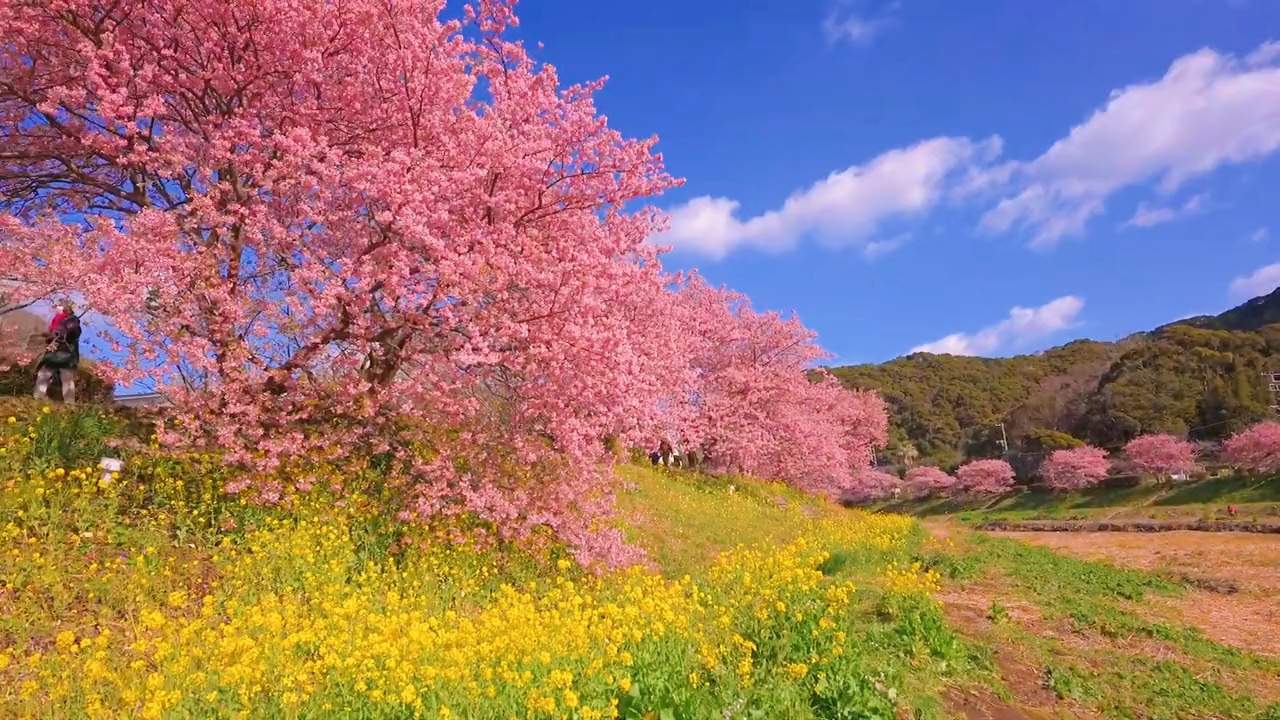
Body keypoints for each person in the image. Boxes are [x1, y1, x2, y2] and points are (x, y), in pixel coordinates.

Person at [34, 300, 82, 405]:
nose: (57, 308)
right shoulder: (56, 320)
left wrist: (61, 333)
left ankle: (69, 403)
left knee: (66, 378)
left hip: (66, 352)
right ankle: (38, 399)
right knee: (43, 375)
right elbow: (54, 334)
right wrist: (48, 336)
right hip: (53, 351)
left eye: (59, 306)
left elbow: (73, 333)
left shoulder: (72, 320)